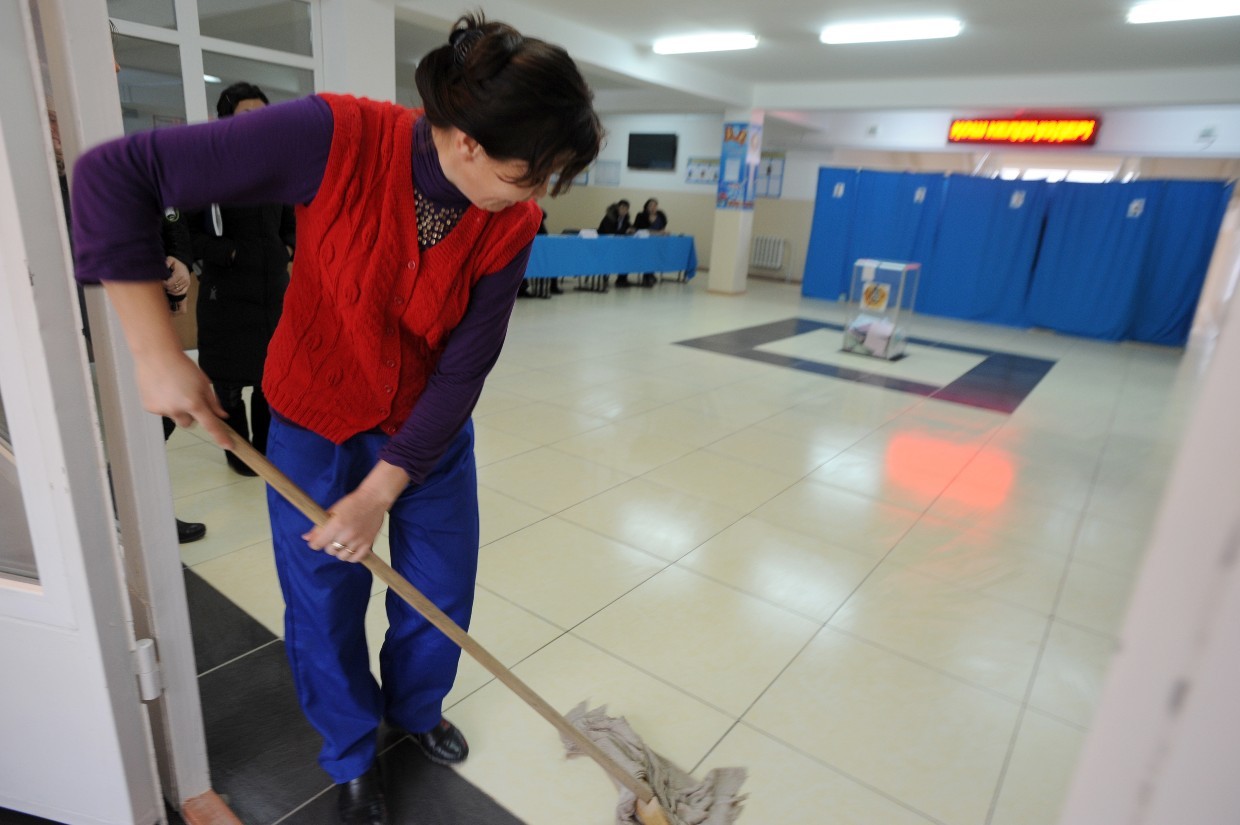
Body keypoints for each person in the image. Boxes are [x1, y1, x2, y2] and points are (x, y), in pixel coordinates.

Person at [70, 13, 601, 825]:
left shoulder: (512, 222)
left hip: (426, 430)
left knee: (438, 590)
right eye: (526, 176)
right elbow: (115, 175)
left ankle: (415, 711)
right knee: (323, 601)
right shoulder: (336, 138)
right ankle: (351, 751)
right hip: (315, 420)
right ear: (467, 143)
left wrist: (381, 489)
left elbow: (465, 365)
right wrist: (157, 352)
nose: (532, 199)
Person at [51, 109, 207, 543]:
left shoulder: (119, 168)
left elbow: (169, 223)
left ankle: (133, 504)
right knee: (105, 424)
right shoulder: (41, 183)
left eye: (60, 120)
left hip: (137, 319)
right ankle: (118, 509)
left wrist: (178, 263)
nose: (58, 132)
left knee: (154, 417)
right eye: (50, 121)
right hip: (81, 327)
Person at [187, 82, 295, 477]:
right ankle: (239, 454)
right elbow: (188, 234)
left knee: (272, 378)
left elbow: (290, 221)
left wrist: (288, 248)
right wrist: (228, 253)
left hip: (272, 292)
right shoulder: (207, 171)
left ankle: (265, 452)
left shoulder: (275, 171)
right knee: (230, 383)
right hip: (227, 294)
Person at [631, 197, 669, 287]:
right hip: (644, 243)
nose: (653, 207)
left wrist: (662, 233)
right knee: (647, 256)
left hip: (657, 242)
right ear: (646, 206)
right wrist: (658, 233)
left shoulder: (661, 215)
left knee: (656, 256)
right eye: (651, 205)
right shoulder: (641, 215)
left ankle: (651, 274)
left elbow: (662, 229)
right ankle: (646, 276)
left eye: (655, 205)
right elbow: (641, 229)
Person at [597, 199, 631, 288]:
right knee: (622, 254)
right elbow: (611, 232)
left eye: (626, 209)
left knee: (627, 254)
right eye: (622, 208)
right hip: (604, 245)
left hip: (617, 245)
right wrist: (625, 231)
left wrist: (631, 230)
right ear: (617, 208)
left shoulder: (626, 219)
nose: (624, 210)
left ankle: (622, 279)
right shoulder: (609, 217)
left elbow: (628, 228)